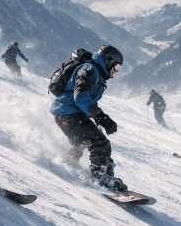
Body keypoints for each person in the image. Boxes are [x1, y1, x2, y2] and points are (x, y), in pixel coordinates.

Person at [50, 45, 127, 192]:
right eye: (116, 67)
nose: (116, 71)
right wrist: (102, 117)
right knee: (100, 144)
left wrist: (97, 119)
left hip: (65, 113)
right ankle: (100, 178)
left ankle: (67, 163)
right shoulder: (89, 70)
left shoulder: (95, 71)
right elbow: (80, 97)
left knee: (81, 142)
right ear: (107, 61)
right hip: (68, 113)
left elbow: (86, 101)